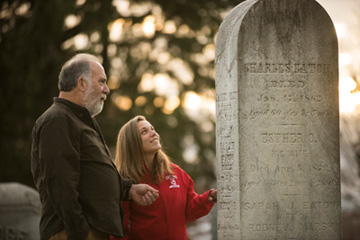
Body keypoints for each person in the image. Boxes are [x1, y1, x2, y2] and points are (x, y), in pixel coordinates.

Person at [31, 54, 159, 240]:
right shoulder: (57, 120)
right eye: (102, 82)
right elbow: (60, 184)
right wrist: (79, 231)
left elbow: (92, 176)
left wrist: (128, 189)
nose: (107, 90)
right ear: (82, 83)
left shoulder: (80, 120)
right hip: (71, 232)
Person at [112, 115, 217, 240]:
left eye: (153, 129)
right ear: (131, 142)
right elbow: (118, 230)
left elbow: (189, 211)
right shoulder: (124, 183)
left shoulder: (177, 173)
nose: (154, 133)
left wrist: (210, 197)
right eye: (144, 132)